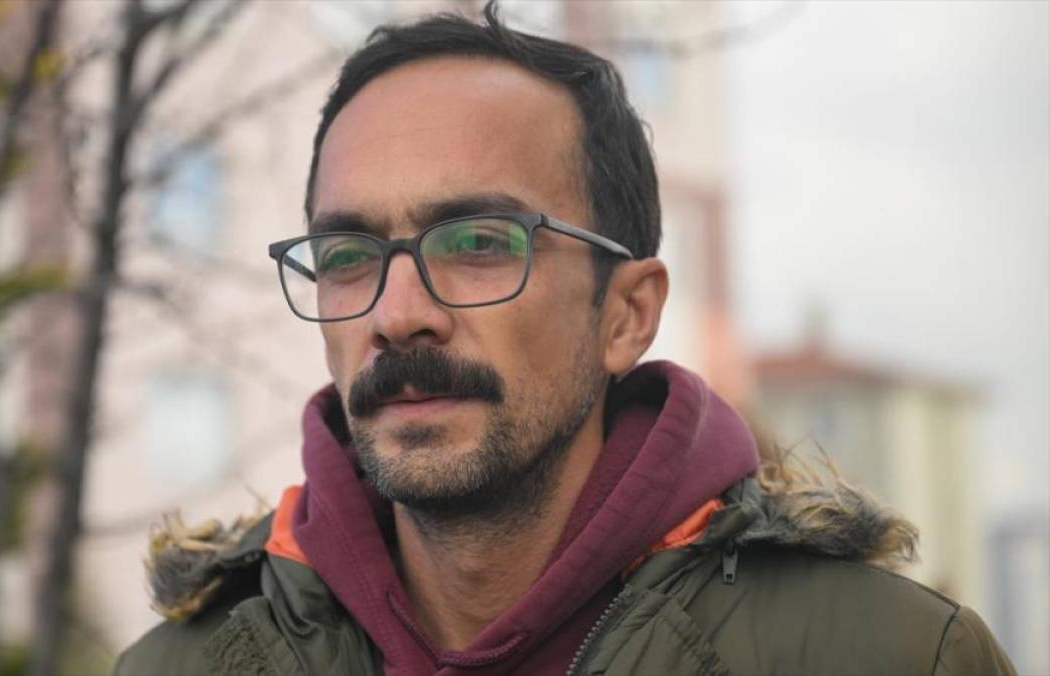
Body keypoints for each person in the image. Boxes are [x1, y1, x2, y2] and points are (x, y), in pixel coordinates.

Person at [115, 4, 1014, 674]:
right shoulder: (181, 667)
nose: (396, 313)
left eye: (478, 243)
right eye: (349, 256)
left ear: (626, 314)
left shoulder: (891, 657)